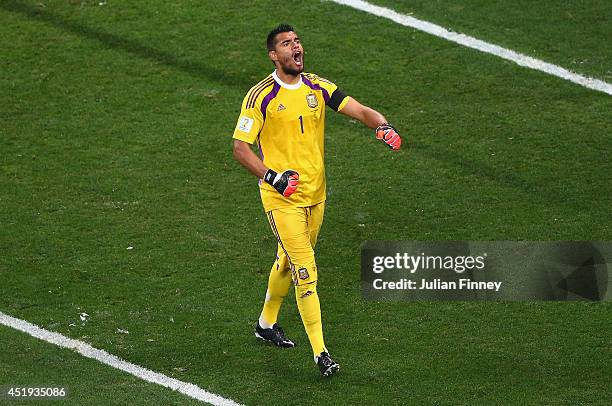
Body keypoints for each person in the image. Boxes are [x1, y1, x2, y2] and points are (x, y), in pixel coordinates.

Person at [232, 23, 402, 377]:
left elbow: (359, 109)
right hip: (281, 199)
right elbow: (240, 148)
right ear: (273, 55)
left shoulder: (317, 87)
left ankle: (265, 324)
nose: (295, 47)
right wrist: (272, 177)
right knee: (306, 272)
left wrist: (382, 125)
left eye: (297, 41)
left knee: (286, 263)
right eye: (286, 43)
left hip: (316, 195)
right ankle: (321, 353)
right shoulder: (260, 96)